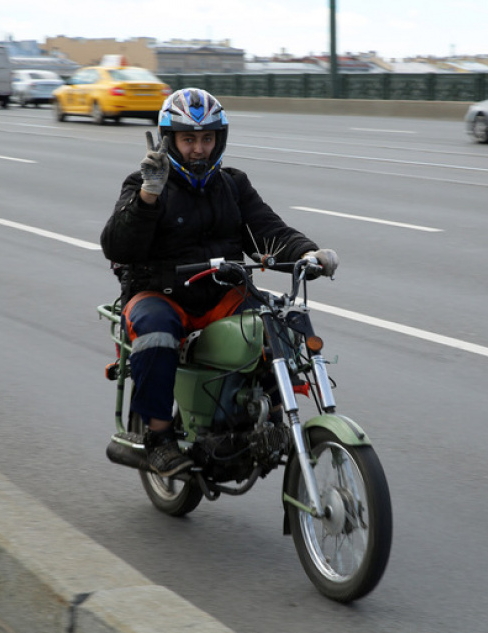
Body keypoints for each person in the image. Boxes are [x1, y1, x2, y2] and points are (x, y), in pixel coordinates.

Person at [100, 88, 338, 477]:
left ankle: (274, 419)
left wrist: (309, 254)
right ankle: (158, 439)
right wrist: (148, 196)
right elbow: (117, 245)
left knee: (275, 323)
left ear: (219, 140)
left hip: (221, 293)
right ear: (170, 140)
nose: (199, 149)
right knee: (156, 333)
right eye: (188, 139)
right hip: (160, 293)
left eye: (207, 138)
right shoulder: (142, 184)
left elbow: (268, 230)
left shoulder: (232, 185)